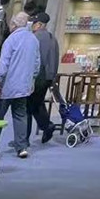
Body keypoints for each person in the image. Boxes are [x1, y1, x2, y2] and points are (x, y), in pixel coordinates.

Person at [0, 11, 40, 159]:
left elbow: (4, 64)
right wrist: (32, 80)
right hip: (23, 87)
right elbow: (37, 64)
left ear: (14, 24)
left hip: (7, 86)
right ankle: (22, 147)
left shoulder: (10, 40)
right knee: (20, 116)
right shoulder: (34, 40)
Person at [28, 11, 64, 144]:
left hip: (38, 76)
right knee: (37, 103)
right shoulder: (52, 38)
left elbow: (36, 60)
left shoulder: (35, 38)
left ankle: (26, 137)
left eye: (34, 23)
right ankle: (46, 125)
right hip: (49, 77)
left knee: (28, 106)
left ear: (39, 24)